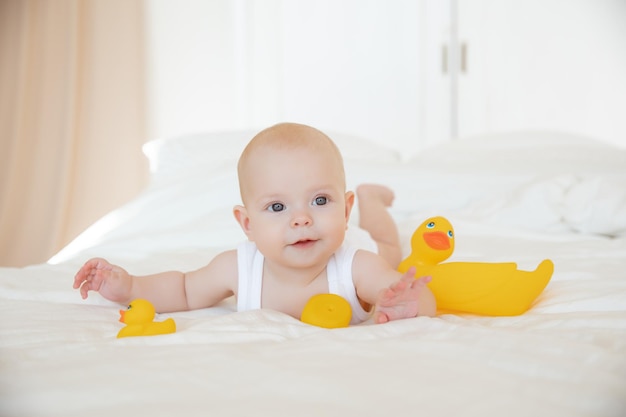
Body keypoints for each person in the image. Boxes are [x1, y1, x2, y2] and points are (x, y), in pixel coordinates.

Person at [73, 123, 436, 324]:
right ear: (247, 223)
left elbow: (422, 299)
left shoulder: (358, 265)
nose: (302, 218)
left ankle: (371, 202)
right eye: (277, 206)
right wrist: (130, 286)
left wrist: (407, 302)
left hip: (365, 243)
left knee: (389, 246)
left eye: (321, 201)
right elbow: (183, 289)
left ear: (344, 210)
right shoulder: (238, 268)